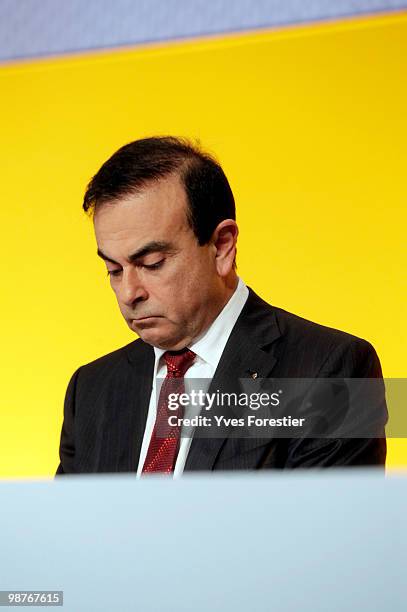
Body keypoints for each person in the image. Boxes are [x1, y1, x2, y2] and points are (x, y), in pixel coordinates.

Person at [56, 136, 387, 475]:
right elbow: (66, 525)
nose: (128, 293)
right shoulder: (91, 389)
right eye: (113, 269)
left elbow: (325, 524)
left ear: (221, 246)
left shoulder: (330, 369)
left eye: (152, 262)